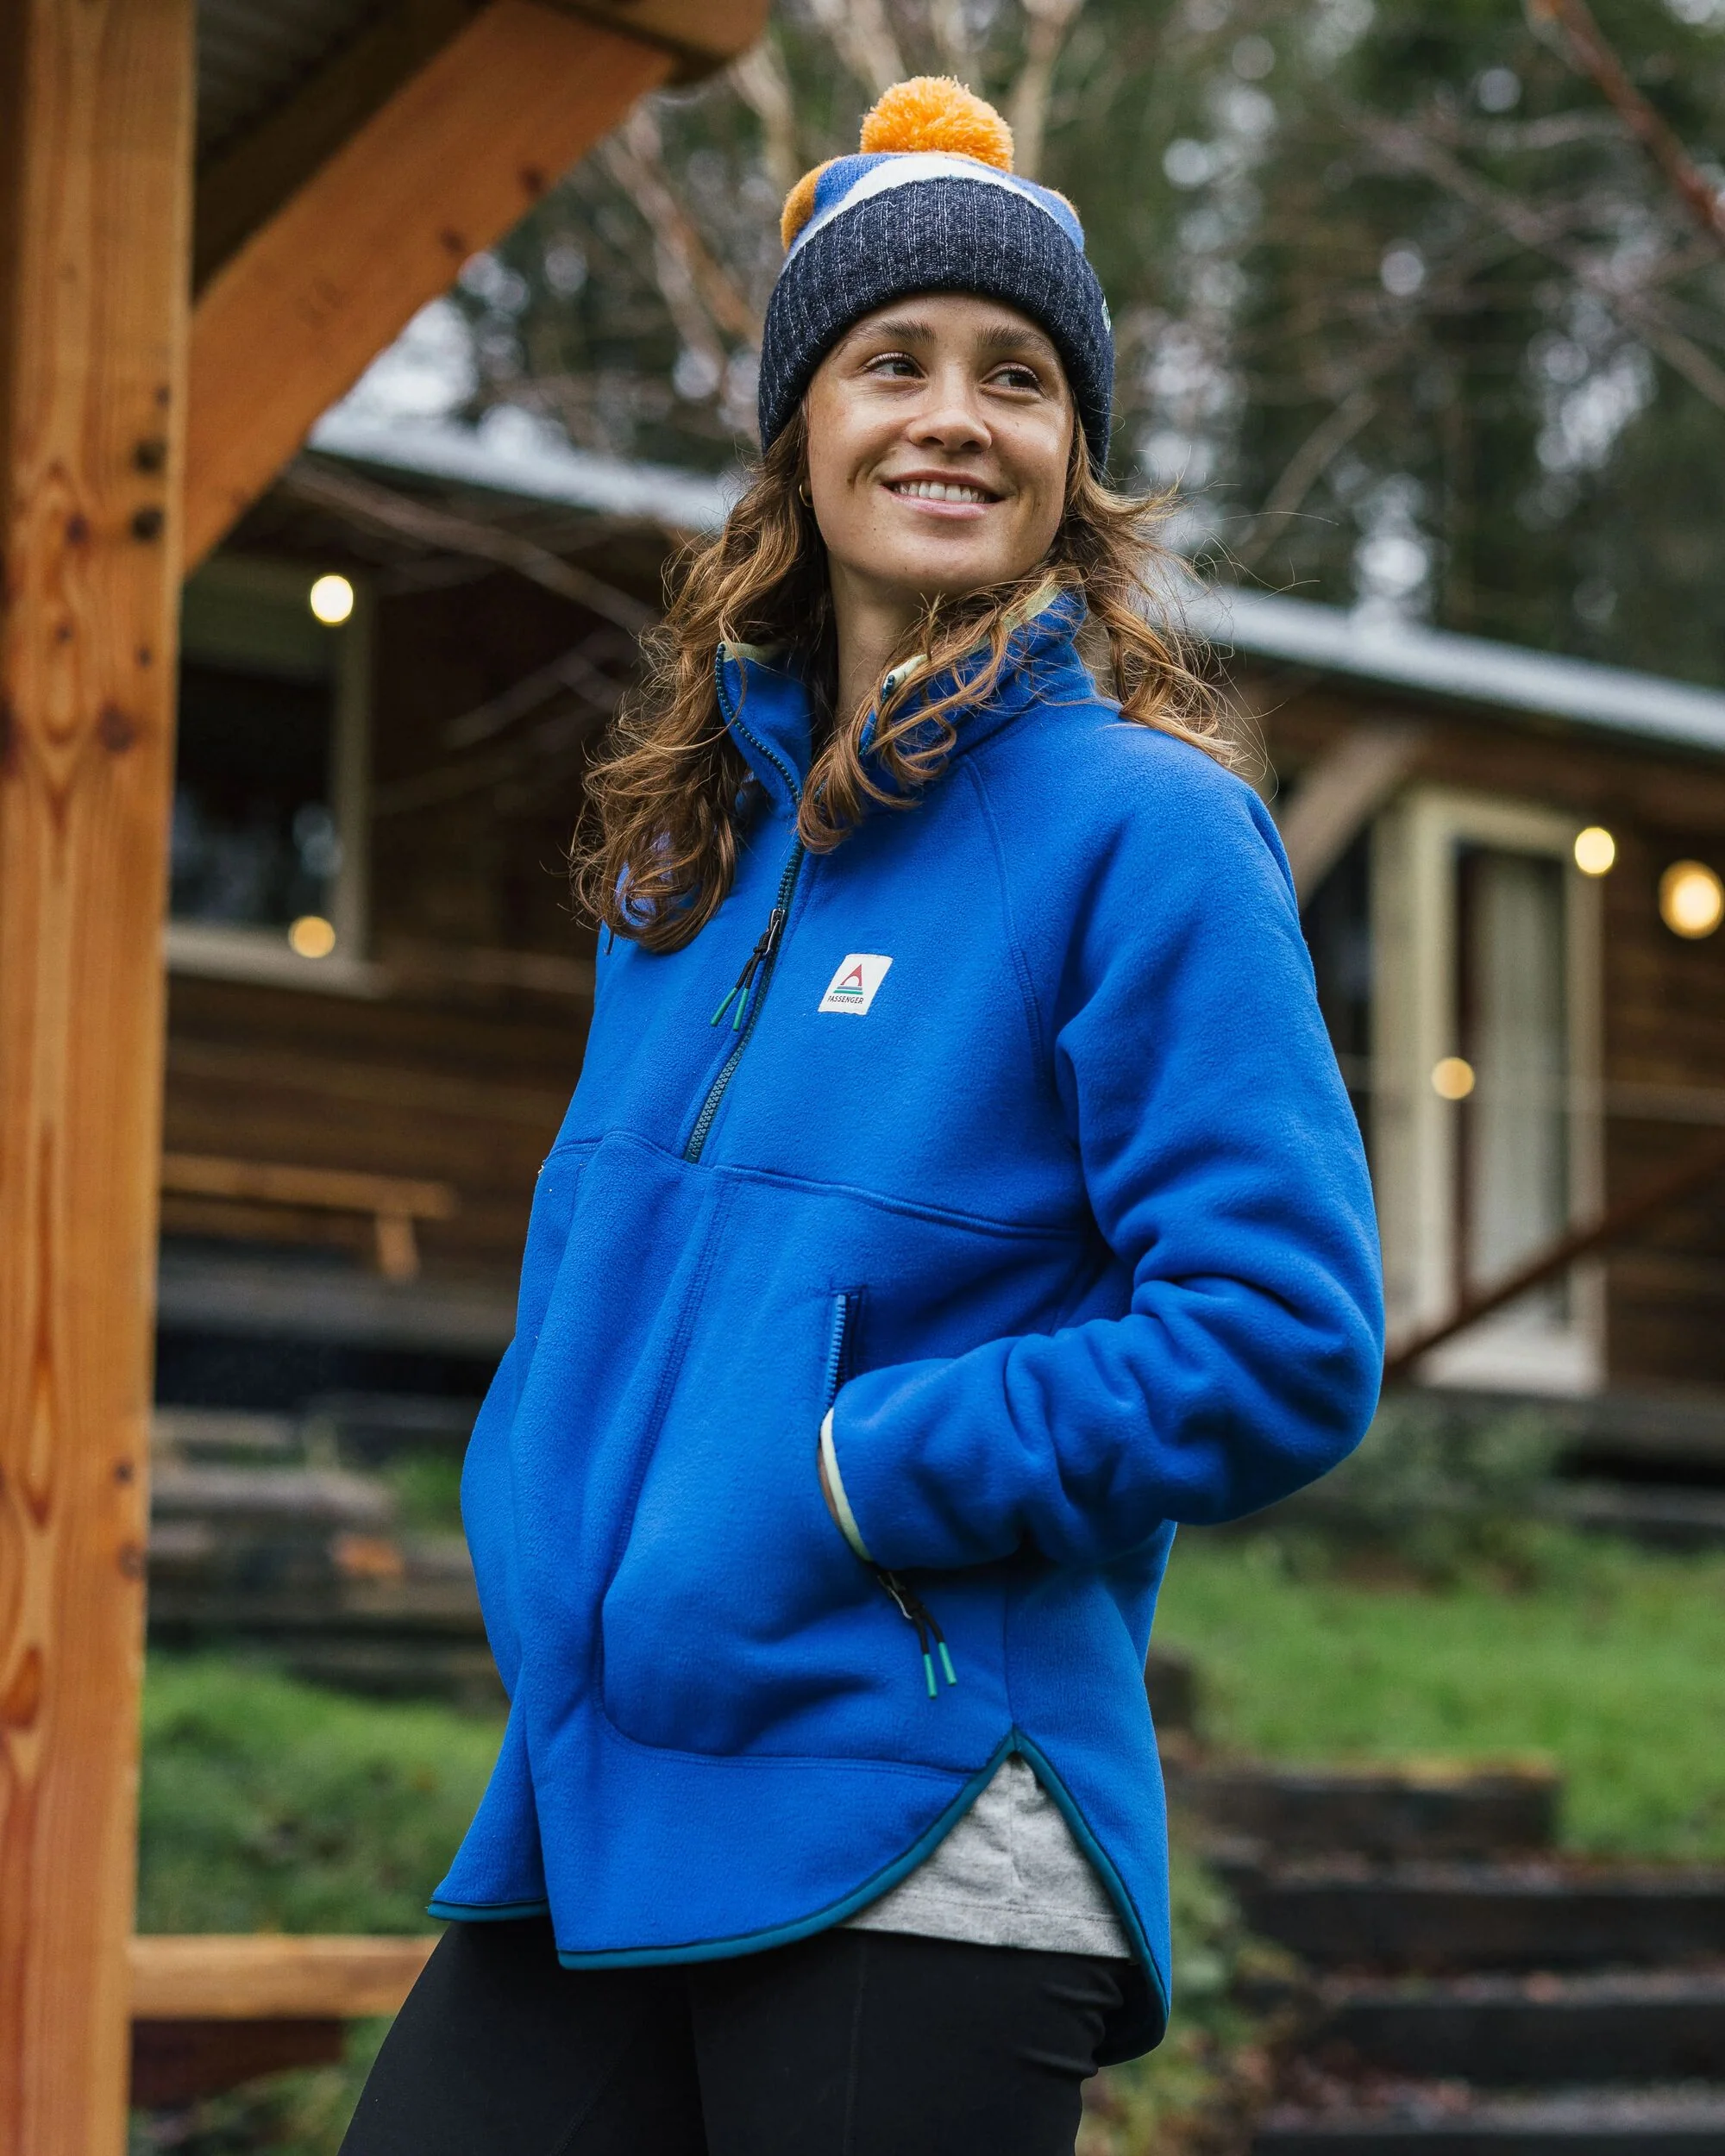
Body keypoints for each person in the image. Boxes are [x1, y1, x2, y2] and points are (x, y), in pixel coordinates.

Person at [341, 76, 1383, 2156]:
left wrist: (852, 1467)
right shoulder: (688, 868)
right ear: (798, 435)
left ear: (1072, 457)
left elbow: (1280, 1337)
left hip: (922, 1824)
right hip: (597, 1796)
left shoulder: (1148, 832)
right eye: (890, 360)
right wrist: (546, 1511)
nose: (953, 417)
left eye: (1017, 376)